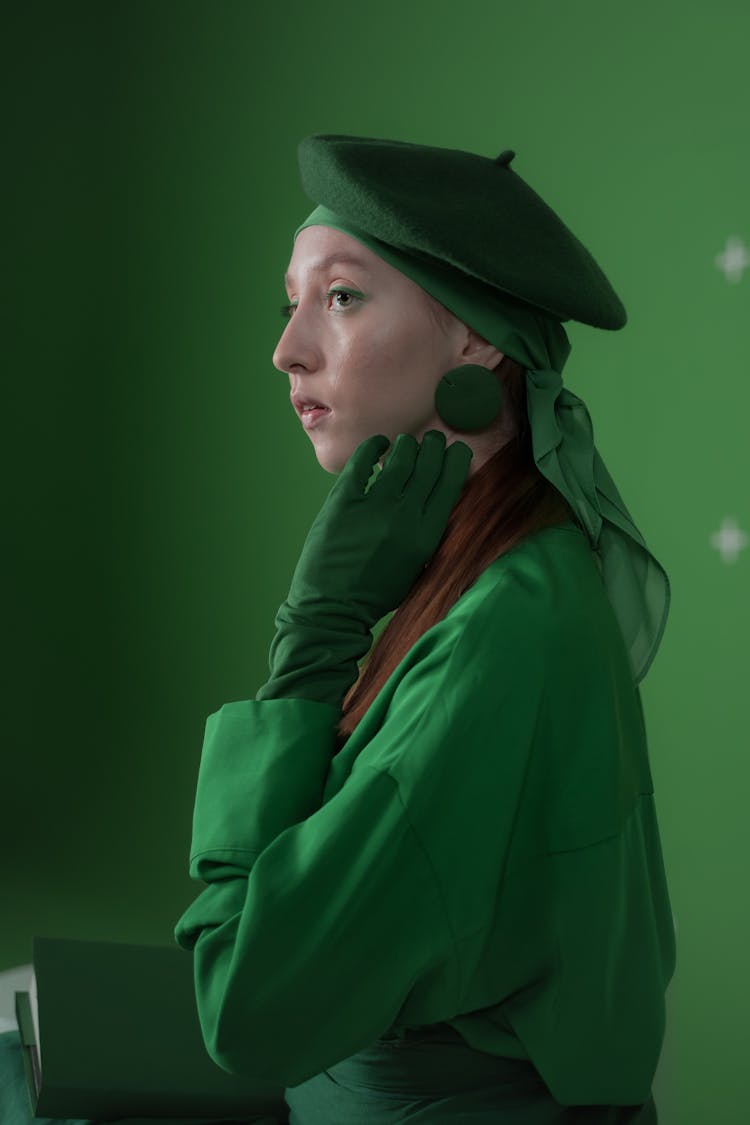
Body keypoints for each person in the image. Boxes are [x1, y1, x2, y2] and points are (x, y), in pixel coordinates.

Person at [173, 133, 676, 1124]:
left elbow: (244, 1008)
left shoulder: (501, 638)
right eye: (293, 301)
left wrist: (313, 638)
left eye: (344, 297)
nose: (288, 348)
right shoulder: (514, 575)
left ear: (477, 340)